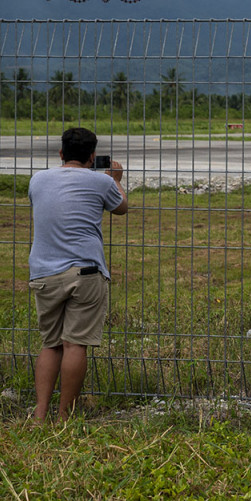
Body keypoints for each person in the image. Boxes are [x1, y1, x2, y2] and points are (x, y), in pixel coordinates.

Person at [28, 127, 128, 421]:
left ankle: (40, 414)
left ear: (61, 154)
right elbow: (122, 208)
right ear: (92, 156)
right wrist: (117, 181)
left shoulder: (38, 179)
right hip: (85, 273)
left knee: (51, 344)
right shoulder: (100, 181)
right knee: (75, 344)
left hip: (44, 273)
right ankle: (64, 417)